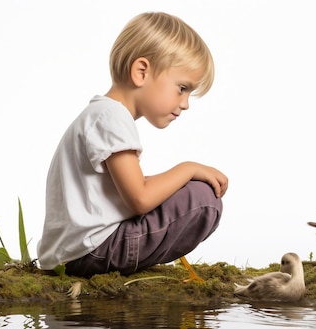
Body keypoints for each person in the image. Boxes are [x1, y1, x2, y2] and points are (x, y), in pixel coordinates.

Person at [36, 12, 228, 277]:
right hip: (94, 251)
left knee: (182, 190)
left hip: (74, 252)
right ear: (141, 72)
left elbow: (119, 193)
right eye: (182, 88)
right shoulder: (112, 117)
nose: (185, 104)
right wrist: (188, 168)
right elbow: (140, 199)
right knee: (204, 199)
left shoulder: (101, 115)